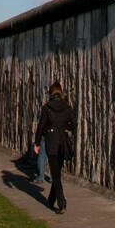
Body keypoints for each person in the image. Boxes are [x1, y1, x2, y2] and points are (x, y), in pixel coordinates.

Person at [35, 82, 75, 214]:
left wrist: (37, 143)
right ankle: (51, 199)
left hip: (51, 142)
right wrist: (65, 128)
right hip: (62, 142)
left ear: (51, 93)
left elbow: (41, 126)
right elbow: (73, 124)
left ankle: (62, 202)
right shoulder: (66, 106)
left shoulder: (47, 108)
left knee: (55, 174)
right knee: (56, 172)